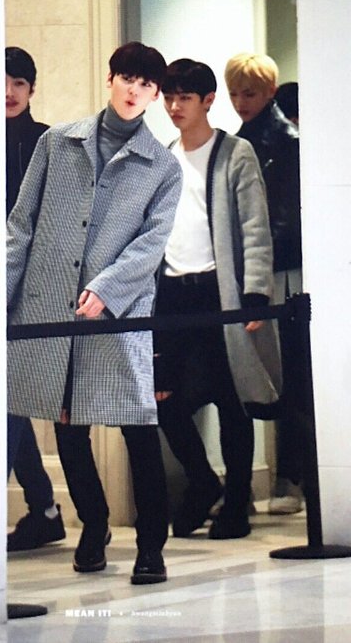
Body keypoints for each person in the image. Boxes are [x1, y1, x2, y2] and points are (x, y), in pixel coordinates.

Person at [6, 42, 183, 584]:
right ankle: (94, 524)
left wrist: (108, 288)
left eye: (146, 85)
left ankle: (151, 546)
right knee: (67, 425)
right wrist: (0, 299)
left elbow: (151, 243)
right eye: (127, 78)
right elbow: (21, 225)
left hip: (118, 313)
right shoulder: (57, 143)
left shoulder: (162, 166)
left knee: (137, 427)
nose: (134, 91)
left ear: (154, 95)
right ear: (110, 80)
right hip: (52, 305)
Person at [154, 58, 281, 540]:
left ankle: (237, 503)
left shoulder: (235, 153)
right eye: (169, 97)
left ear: (208, 101)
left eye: (184, 97)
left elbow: (254, 227)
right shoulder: (165, 157)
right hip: (173, 294)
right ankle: (203, 482)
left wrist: (255, 294)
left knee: (232, 400)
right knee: (165, 400)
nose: (174, 106)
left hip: (220, 292)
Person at [224, 53, 303, 515]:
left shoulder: (285, 143)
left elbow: (284, 217)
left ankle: (291, 476)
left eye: (249, 93)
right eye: (235, 93)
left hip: (281, 271)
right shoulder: (244, 142)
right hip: (262, 270)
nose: (240, 102)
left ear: (270, 92)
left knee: (289, 372)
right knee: (264, 374)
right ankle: (284, 478)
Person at [5, 46, 65, 551]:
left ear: (32, 89)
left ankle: (35, 507)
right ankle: (43, 507)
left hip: (30, 285)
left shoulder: (47, 141)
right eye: (1, 82)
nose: (8, 92)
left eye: (18, 83)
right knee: (6, 396)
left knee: (8, 395)